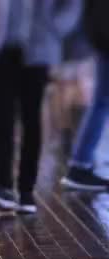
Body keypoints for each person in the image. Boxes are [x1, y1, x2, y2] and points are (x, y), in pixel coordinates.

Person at [0, 0, 81, 214]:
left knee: (31, 120)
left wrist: (54, 27)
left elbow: (72, 5)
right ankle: (3, 187)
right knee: (2, 118)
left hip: (37, 51)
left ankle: (26, 192)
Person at [61, 0, 109, 190]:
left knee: (100, 102)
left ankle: (80, 164)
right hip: (104, 39)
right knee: (100, 103)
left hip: (102, 39)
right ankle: (79, 165)